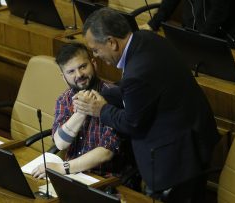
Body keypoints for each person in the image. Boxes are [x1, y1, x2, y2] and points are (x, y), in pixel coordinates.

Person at [73, 7, 220, 203]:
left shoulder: (137, 72)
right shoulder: (145, 39)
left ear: (111, 42)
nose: (96, 55)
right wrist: (102, 94)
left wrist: (100, 109)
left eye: (96, 50)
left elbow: (132, 123)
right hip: (193, 135)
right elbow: (140, 93)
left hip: (177, 160)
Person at [31, 42, 123, 179]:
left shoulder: (114, 96)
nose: (79, 74)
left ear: (94, 64)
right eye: (71, 71)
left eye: (83, 67)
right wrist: (81, 111)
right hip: (72, 174)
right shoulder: (65, 99)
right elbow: (60, 144)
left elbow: (107, 152)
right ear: (63, 77)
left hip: (105, 178)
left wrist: (64, 168)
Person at [140, 0, 235, 50]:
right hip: (194, 34)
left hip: (225, 38)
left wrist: (197, 40)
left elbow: (218, 13)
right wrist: (153, 24)